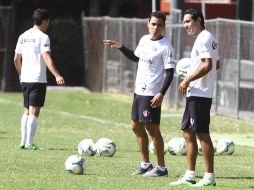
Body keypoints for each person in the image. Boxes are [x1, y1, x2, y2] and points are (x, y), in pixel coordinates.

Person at [103, 11, 175, 177]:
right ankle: (145, 164)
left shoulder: (166, 47)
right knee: (136, 126)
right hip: (139, 91)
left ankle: (161, 168)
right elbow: (136, 58)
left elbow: (170, 73)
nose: (156, 28)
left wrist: (161, 93)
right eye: (153, 24)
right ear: (148, 24)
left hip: (151, 93)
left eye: (160, 25)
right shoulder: (143, 40)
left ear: (164, 27)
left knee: (152, 129)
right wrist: (121, 47)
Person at [170, 8, 220, 187]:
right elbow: (217, 64)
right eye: (184, 22)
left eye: (188, 21)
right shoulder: (208, 38)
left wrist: (187, 78)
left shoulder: (204, 37)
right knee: (187, 132)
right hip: (196, 92)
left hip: (200, 94)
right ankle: (190, 174)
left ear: (198, 20)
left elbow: (208, 65)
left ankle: (209, 177)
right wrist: (192, 71)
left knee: (202, 134)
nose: (185, 26)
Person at [14, 8, 65, 150]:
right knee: (34, 111)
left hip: (25, 78)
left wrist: (20, 74)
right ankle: (29, 143)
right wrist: (57, 75)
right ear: (44, 22)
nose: (48, 24)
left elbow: (16, 59)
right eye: (48, 22)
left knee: (26, 110)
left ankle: (23, 142)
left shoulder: (23, 36)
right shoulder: (43, 37)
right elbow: (46, 57)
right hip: (37, 79)